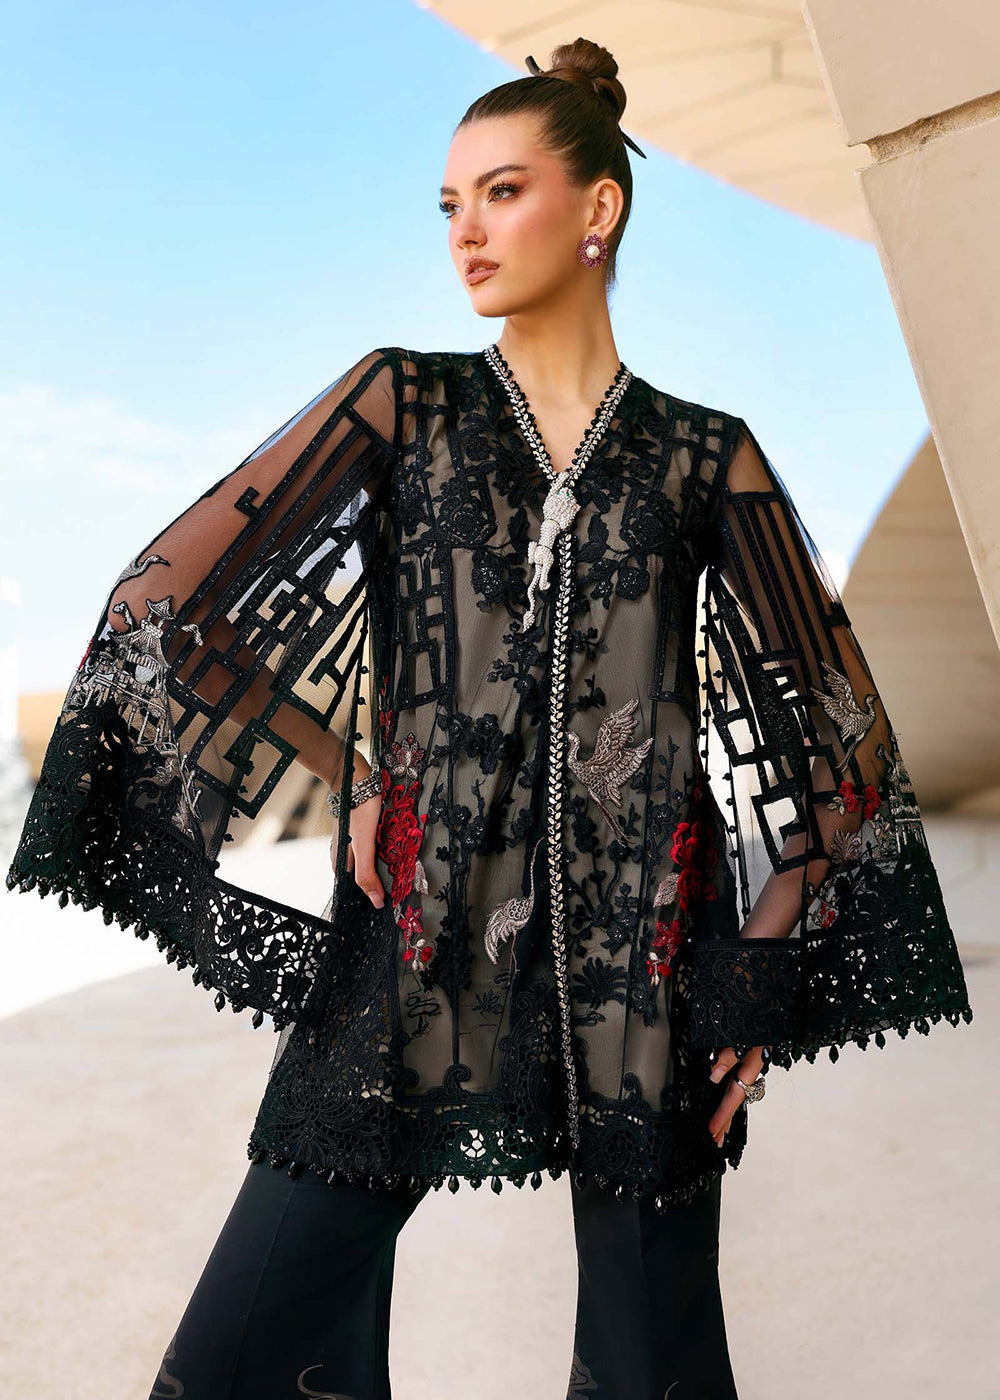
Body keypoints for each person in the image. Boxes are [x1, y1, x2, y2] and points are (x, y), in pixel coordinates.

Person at [7, 36, 973, 1400]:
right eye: (450, 203)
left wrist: (754, 970)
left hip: (647, 976)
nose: (465, 231)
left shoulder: (705, 455)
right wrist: (358, 773)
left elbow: (841, 740)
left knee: (651, 1369)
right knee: (239, 1356)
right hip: (414, 947)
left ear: (598, 208)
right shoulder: (406, 401)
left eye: (502, 193)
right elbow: (171, 604)